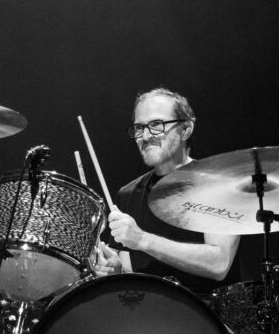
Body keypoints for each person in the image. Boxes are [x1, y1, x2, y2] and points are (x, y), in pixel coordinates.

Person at [94, 87, 240, 294]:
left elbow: (219, 264)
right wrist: (115, 271)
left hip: (206, 317)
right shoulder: (127, 195)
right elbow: (129, 272)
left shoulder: (218, 185)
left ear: (186, 129)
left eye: (156, 125)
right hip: (148, 315)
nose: (145, 136)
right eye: (139, 128)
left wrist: (143, 240)